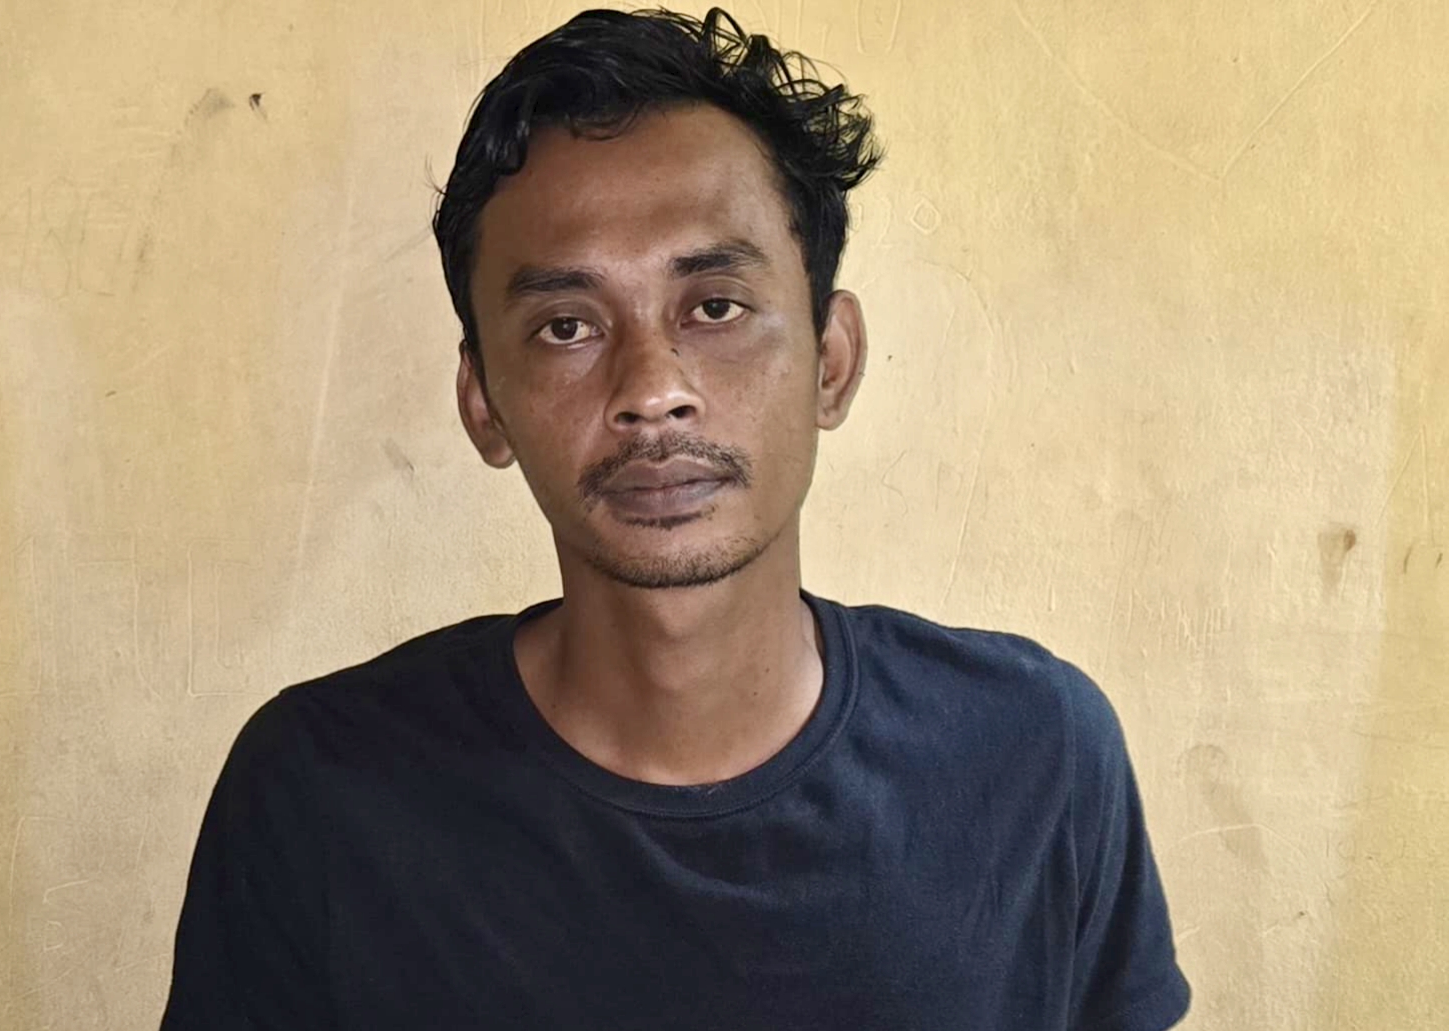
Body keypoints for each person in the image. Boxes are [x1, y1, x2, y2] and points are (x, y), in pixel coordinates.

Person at [160, 7, 1191, 1029]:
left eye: (714, 307)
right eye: (567, 326)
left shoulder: (1032, 753)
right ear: (485, 405)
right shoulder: (322, 794)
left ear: (830, 363)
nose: (652, 390)